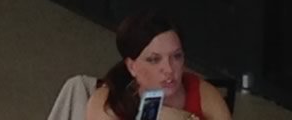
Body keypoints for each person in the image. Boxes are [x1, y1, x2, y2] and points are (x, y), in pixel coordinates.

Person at [87, 11, 232, 120]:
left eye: (176, 56)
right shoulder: (108, 103)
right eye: (154, 60)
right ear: (132, 66)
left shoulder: (203, 95)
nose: (169, 69)